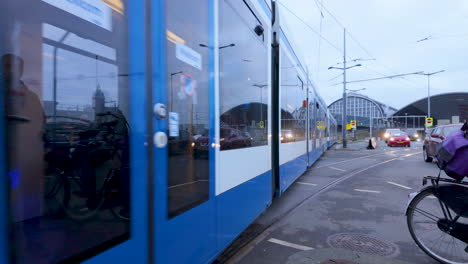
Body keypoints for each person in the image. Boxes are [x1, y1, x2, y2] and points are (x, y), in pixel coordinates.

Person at [2, 53, 45, 222]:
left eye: (14, 67)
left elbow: (40, 123)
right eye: (6, 66)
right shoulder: (31, 96)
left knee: (18, 191)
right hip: (17, 157)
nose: (10, 71)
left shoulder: (31, 97)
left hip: (20, 158)